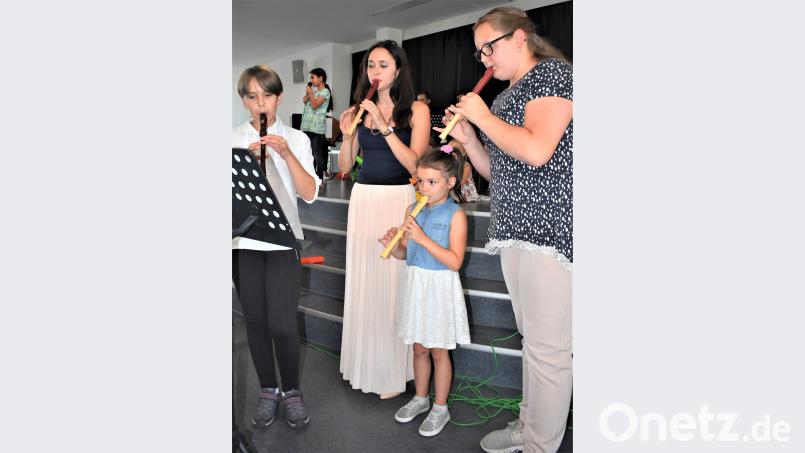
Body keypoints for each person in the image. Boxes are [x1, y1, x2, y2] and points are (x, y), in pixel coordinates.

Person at [436, 6, 573, 453]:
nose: (484, 60)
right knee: (535, 342)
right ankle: (531, 427)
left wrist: (480, 116)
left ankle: (539, 445)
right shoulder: (502, 97)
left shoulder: (552, 76)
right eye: (479, 54)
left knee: (549, 350)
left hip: (550, 230)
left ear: (519, 38)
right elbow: (500, 172)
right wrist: (471, 139)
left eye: (488, 48)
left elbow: (537, 151)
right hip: (516, 227)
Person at [337, 40, 431, 399]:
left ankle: (394, 372)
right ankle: (366, 366)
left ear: (398, 70)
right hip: (363, 199)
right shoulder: (359, 110)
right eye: (370, 66)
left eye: (382, 65)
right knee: (365, 282)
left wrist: (385, 127)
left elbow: (416, 167)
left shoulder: (416, 110)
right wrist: (348, 137)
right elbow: (345, 167)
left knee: (394, 286)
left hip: (398, 200)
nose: (374, 72)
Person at [232, 64, 320, 429]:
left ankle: (292, 390)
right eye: (252, 97)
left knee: (283, 325)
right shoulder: (231, 139)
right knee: (255, 322)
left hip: (283, 244)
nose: (260, 103)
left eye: (267, 95)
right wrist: (244, 167)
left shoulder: (297, 139)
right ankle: (268, 388)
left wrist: (286, 155)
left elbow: (310, 193)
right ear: (244, 101)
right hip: (244, 241)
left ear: (279, 98)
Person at [379, 147, 470, 437]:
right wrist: (395, 247)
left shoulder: (456, 215)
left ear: (450, 183)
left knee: (439, 350)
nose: (424, 188)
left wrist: (422, 237)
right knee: (418, 347)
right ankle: (420, 398)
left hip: (439, 286)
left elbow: (454, 261)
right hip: (416, 282)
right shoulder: (411, 210)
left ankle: (440, 407)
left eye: (432, 182)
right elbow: (408, 254)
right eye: (420, 181)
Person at [301, 67, 333, 183]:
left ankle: (320, 179)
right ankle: (313, 178)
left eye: (312, 77)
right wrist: (307, 97)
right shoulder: (314, 92)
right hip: (307, 127)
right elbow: (308, 105)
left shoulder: (325, 92)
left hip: (316, 129)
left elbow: (315, 105)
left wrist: (310, 94)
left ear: (321, 78)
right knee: (310, 154)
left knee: (317, 154)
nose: (311, 79)